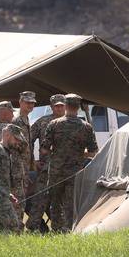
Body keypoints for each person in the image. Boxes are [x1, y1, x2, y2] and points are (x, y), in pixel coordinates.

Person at [42, 93, 98, 232]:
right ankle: (70, 229)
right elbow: (93, 152)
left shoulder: (54, 124)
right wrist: (80, 154)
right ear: (78, 107)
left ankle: (56, 229)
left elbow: (44, 150)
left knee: (55, 202)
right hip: (74, 172)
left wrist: (57, 154)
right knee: (71, 203)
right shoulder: (86, 127)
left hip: (56, 170)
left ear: (65, 106)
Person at [26, 94, 66, 232]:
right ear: (51, 107)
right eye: (56, 106)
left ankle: (62, 227)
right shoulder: (43, 122)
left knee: (62, 199)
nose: (59, 108)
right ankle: (34, 226)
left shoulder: (73, 122)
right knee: (40, 198)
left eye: (62, 105)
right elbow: (27, 140)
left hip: (66, 169)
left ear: (65, 106)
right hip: (46, 168)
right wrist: (32, 161)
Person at [11, 90, 36, 228]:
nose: (30, 106)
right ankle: (15, 225)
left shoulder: (26, 119)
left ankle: (17, 224)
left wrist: (31, 165)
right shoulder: (16, 120)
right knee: (17, 196)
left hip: (24, 166)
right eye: (27, 103)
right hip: (16, 166)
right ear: (20, 102)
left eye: (32, 103)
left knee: (22, 196)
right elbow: (13, 145)